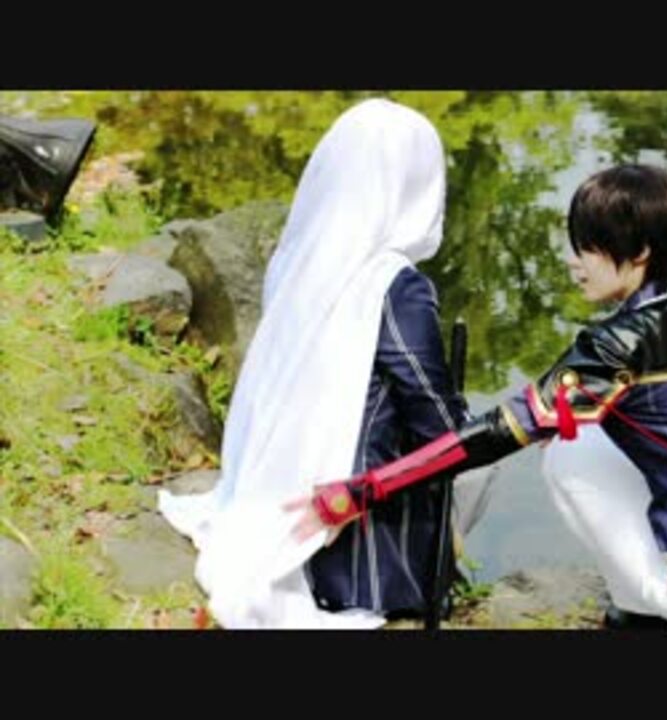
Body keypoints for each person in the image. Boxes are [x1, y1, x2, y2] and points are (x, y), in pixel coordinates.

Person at [286, 163, 667, 630]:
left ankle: (648, 607)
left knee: (567, 454)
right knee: (576, 430)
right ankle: (664, 590)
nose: (573, 262)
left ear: (640, 252)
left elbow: (496, 433)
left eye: (587, 247)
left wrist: (361, 491)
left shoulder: (618, 345)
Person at [159, 97, 493, 629]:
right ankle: (426, 573)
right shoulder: (394, 286)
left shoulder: (298, 257)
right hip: (348, 544)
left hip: (271, 494)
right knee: (484, 452)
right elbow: (439, 426)